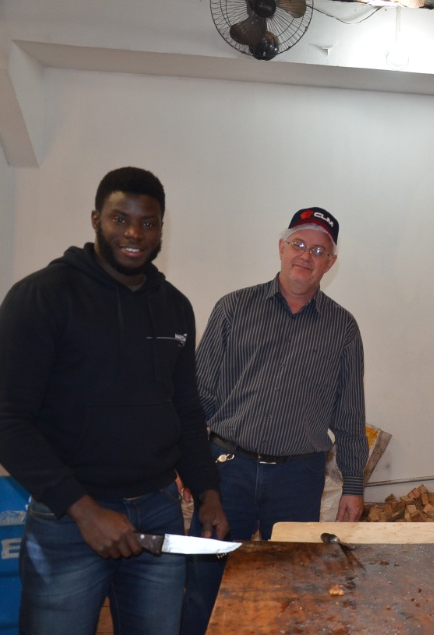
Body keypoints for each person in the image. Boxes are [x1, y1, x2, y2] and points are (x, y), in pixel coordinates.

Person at [0, 167, 229, 635]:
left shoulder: (175, 307)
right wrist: (84, 510)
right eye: (120, 218)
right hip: (68, 522)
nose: (134, 233)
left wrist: (208, 490)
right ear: (96, 218)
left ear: (161, 229)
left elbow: (187, 410)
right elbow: (1, 419)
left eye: (148, 222)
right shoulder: (41, 297)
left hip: (158, 512)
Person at [181, 207, 367, 635]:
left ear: (330, 263)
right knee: (205, 581)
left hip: (299, 478)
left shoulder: (342, 328)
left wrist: (353, 485)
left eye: (319, 250)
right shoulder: (233, 309)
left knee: (293, 583)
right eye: (299, 244)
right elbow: (200, 395)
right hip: (227, 468)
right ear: (281, 248)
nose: (306, 255)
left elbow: (351, 414)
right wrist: (185, 459)